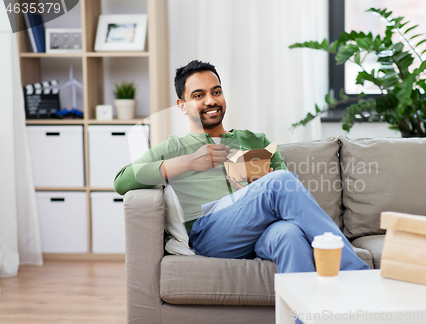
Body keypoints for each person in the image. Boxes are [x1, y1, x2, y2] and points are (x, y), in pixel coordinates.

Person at [114, 60, 369, 273]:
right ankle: (355, 274)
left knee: (289, 234)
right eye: (198, 95)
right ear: (182, 106)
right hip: (211, 234)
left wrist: (257, 188)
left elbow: (287, 187)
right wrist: (190, 162)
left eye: (216, 92)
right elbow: (122, 180)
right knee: (280, 182)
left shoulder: (256, 141)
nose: (211, 101)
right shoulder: (175, 147)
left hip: (262, 229)